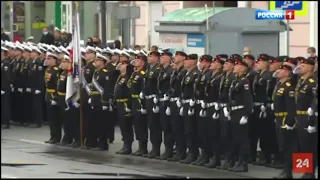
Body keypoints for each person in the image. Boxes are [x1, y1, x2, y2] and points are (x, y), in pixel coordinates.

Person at [227, 59, 253, 172]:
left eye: (237, 66)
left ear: (242, 69)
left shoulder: (244, 81)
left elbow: (248, 99)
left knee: (242, 140)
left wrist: (246, 114)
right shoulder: (235, 81)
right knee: (236, 139)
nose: (234, 67)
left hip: (241, 112)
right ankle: (239, 161)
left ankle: (243, 163)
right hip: (234, 112)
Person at [272, 65, 297, 179]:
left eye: (281, 70)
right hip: (278, 118)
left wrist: (290, 122)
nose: (278, 71)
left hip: (285, 119)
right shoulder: (279, 85)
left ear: (287, 73)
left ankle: (288, 171)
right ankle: (285, 170)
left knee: (288, 146)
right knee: (282, 145)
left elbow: (291, 107)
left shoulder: (288, 87)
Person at [294, 58, 317, 179]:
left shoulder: (313, 81)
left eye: (303, 66)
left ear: (310, 68)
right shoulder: (301, 80)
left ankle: (310, 172)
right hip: (299, 115)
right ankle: (304, 171)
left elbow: (314, 101)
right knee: (302, 144)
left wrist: (311, 118)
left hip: (307, 116)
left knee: (309, 145)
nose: (300, 67)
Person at [251, 55, 273, 166]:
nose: (257, 63)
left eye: (260, 62)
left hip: (264, 108)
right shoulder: (258, 75)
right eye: (257, 62)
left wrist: (266, 104)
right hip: (257, 107)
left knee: (265, 134)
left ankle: (266, 156)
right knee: (257, 132)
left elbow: (268, 92)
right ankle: (259, 156)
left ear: (266, 63)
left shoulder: (268, 76)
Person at [88, 53, 113, 150]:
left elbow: (106, 89)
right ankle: (95, 142)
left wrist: (105, 103)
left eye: (97, 60)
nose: (95, 62)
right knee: (95, 123)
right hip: (94, 100)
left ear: (102, 62)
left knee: (102, 124)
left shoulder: (105, 73)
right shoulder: (96, 72)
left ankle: (103, 144)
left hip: (101, 101)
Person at [179, 54, 200, 164]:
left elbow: (196, 90)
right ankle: (189, 151)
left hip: (191, 104)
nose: (185, 62)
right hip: (185, 104)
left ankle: (193, 153)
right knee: (186, 129)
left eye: (187, 60)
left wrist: (192, 101)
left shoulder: (196, 74)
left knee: (191, 129)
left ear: (193, 62)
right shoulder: (186, 73)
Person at [204, 56, 225, 168]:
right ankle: (209, 156)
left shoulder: (220, 77)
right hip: (207, 106)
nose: (211, 64)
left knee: (215, 133)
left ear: (219, 65)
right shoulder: (209, 75)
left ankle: (216, 158)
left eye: (215, 62)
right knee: (208, 133)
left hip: (215, 107)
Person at [167, 51, 187, 162]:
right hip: (173, 102)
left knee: (180, 128)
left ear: (183, 58)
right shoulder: (176, 71)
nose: (175, 57)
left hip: (180, 102)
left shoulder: (184, 72)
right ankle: (179, 150)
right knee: (175, 128)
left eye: (178, 56)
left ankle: (182, 151)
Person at [217, 57, 237, 170]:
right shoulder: (225, 77)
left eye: (227, 64)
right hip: (223, 108)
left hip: (229, 109)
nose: (224, 65)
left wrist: (229, 107)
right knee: (224, 135)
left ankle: (231, 160)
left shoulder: (233, 78)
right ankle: (228, 159)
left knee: (229, 135)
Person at [192, 55, 212, 166]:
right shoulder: (201, 73)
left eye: (204, 62)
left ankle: (206, 155)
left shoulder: (208, 74)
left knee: (205, 131)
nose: (201, 64)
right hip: (198, 104)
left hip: (204, 105)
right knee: (199, 131)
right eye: (201, 62)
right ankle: (202, 154)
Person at [143, 51, 162, 159]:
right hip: (148, 99)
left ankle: (156, 148)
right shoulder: (149, 68)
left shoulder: (158, 69)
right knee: (151, 124)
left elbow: (157, 85)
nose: (148, 58)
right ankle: (153, 147)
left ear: (156, 58)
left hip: (154, 99)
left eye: (150, 56)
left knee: (155, 125)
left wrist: (156, 97)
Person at [128, 54, 148, 156]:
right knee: (136, 124)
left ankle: (143, 147)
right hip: (133, 101)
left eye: (138, 60)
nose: (136, 61)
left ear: (143, 62)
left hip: (139, 101)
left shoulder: (143, 74)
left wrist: (143, 105)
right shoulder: (135, 73)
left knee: (141, 125)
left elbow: (143, 89)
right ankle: (140, 146)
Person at [157, 51, 174, 160]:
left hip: (168, 101)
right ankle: (167, 149)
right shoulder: (162, 70)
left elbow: (171, 87)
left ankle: (169, 150)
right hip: (161, 100)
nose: (161, 59)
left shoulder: (171, 70)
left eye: (163, 57)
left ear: (168, 58)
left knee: (168, 127)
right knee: (163, 125)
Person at [115, 60, 134, 154]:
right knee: (122, 126)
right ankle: (125, 144)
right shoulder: (121, 76)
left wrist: (129, 105)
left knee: (126, 126)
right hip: (119, 103)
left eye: (124, 64)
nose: (121, 66)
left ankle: (128, 146)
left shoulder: (128, 76)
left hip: (125, 103)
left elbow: (129, 90)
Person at [82, 46, 97, 148]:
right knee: (86, 119)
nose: (86, 55)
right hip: (85, 94)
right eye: (86, 53)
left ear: (93, 55)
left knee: (91, 120)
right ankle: (87, 139)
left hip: (90, 94)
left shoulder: (92, 67)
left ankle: (92, 140)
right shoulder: (87, 66)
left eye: (88, 53)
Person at [44, 52, 61, 144]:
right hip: (48, 94)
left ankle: (56, 137)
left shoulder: (56, 70)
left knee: (55, 118)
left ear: (54, 59)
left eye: (49, 59)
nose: (47, 60)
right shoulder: (48, 69)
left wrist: (55, 98)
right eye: (47, 58)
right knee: (51, 118)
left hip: (54, 95)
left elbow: (57, 85)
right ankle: (52, 136)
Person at [28, 46, 45, 127]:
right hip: (33, 86)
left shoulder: (39, 63)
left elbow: (40, 77)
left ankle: (38, 122)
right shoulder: (32, 62)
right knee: (34, 105)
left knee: (38, 105)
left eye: (33, 52)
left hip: (38, 87)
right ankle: (34, 120)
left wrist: (39, 88)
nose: (31, 54)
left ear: (37, 54)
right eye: (31, 52)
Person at [1, 47, 12, 129]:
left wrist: (3, 89)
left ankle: (6, 122)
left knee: (5, 106)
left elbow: (6, 77)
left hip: (4, 88)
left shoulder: (5, 63)